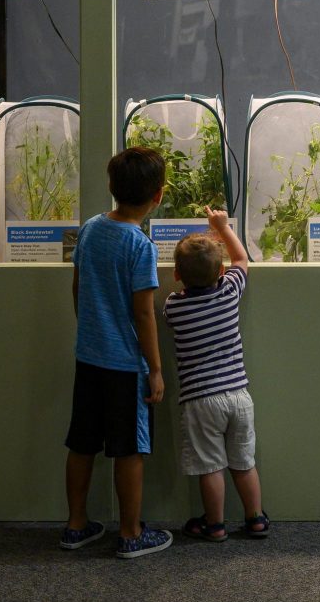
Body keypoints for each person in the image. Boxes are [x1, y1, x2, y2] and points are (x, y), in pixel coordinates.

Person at [60, 146, 173, 559]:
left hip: (88, 356)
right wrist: (156, 370)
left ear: (112, 187)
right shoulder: (140, 245)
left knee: (82, 443)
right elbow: (144, 314)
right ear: (158, 195)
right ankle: (130, 533)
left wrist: (89, 328)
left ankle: (75, 526)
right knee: (130, 448)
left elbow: (77, 286)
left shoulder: (90, 228)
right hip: (126, 366)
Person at [163, 207, 269, 542]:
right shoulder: (228, 293)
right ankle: (255, 519)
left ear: (177, 274)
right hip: (238, 394)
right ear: (220, 272)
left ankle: (216, 524)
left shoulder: (173, 307)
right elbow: (242, 260)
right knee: (243, 462)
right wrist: (221, 227)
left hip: (200, 400)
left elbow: (171, 311)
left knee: (210, 466)